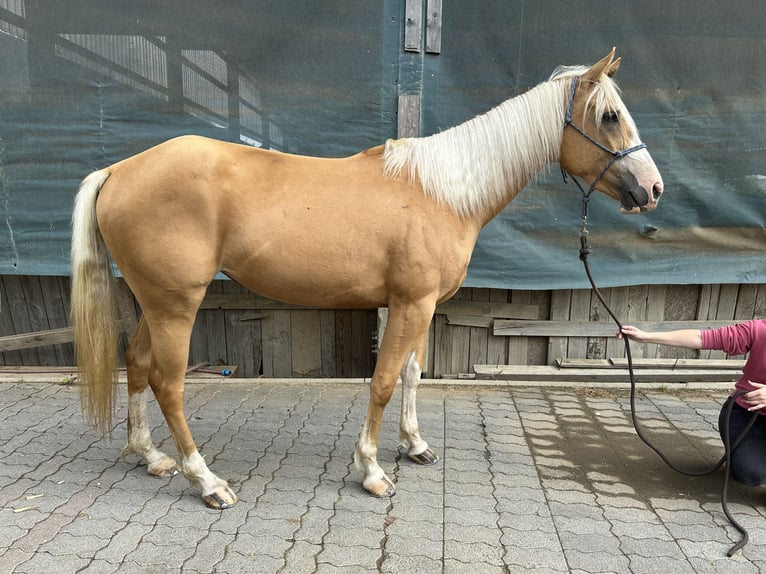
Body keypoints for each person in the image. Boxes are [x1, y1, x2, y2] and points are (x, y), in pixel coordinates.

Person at [617, 320, 766, 486]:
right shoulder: (759, 330)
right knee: (751, 474)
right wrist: (646, 337)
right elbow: (703, 338)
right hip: (747, 414)